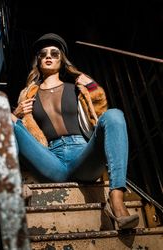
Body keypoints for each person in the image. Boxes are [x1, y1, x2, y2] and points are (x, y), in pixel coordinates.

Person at [11, 33, 139, 229]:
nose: (48, 56)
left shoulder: (78, 88)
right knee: (5, 119)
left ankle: (116, 200)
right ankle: (13, 185)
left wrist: (92, 85)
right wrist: (16, 114)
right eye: (43, 54)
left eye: (54, 53)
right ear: (37, 60)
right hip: (50, 160)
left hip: (84, 157)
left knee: (114, 115)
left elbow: (101, 115)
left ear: (62, 60)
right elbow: (17, 132)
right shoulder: (27, 95)